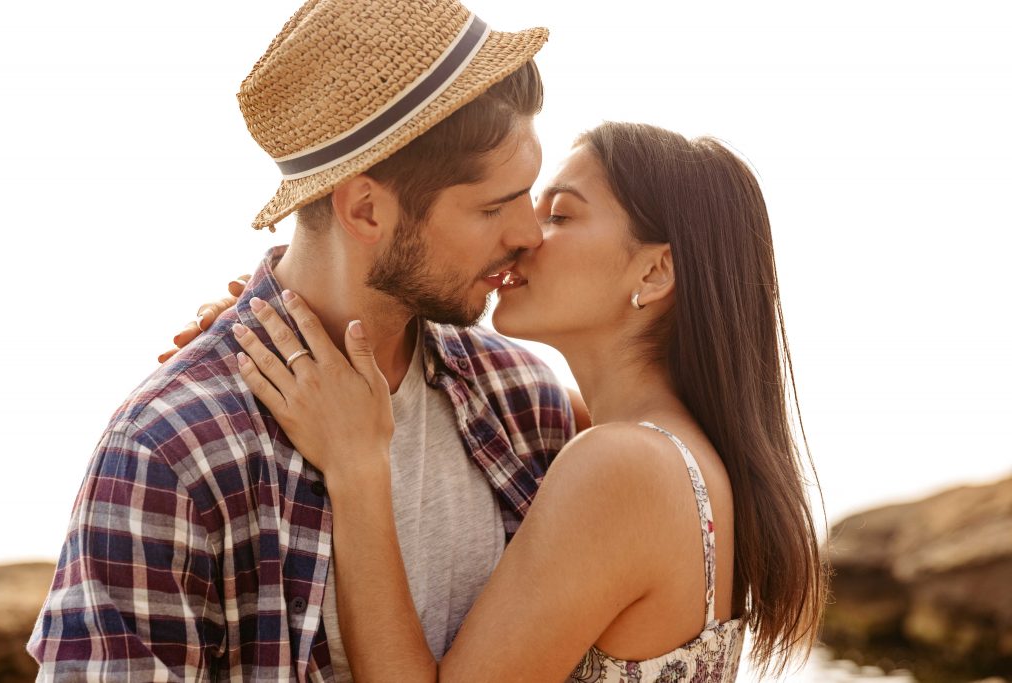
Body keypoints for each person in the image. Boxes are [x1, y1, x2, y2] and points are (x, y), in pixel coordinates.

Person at [27, 0, 579, 679]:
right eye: (494, 206)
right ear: (366, 209)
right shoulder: (170, 452)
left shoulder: (526, 403)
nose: (528, 234)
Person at [185, 123, 828, 681]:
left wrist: (357, 470)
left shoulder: (624, 466)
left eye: (561, 215)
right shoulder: (629, 439)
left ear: (654, 273)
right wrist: (281, 317)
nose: (525, 237)